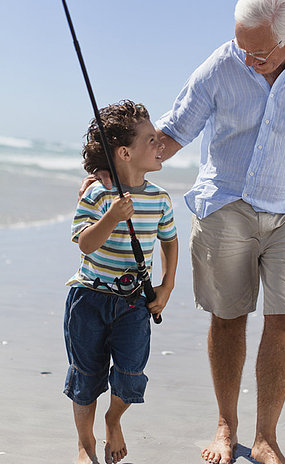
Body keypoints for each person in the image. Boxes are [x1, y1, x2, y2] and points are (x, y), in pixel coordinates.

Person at [82, 0, 285, 464]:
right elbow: (169, 135)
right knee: (228, 318)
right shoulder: (222, 65)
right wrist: (105, 174)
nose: (246, 59)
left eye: (257, 53)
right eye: (241, 46)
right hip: (225, 206)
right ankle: (226, 425)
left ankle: (266, 438)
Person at [65, 100, 178, 464]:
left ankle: (114, 419)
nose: (160, 144)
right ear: (125, 153)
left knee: (130, 375)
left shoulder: (160, 199)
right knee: (86, 376)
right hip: (89, 298)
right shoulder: (97, 194)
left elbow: (169, 240)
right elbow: (85, 243)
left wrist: (167, 285)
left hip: (133, 304)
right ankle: (85, 443)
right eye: (150, 140)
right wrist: (112, 217)